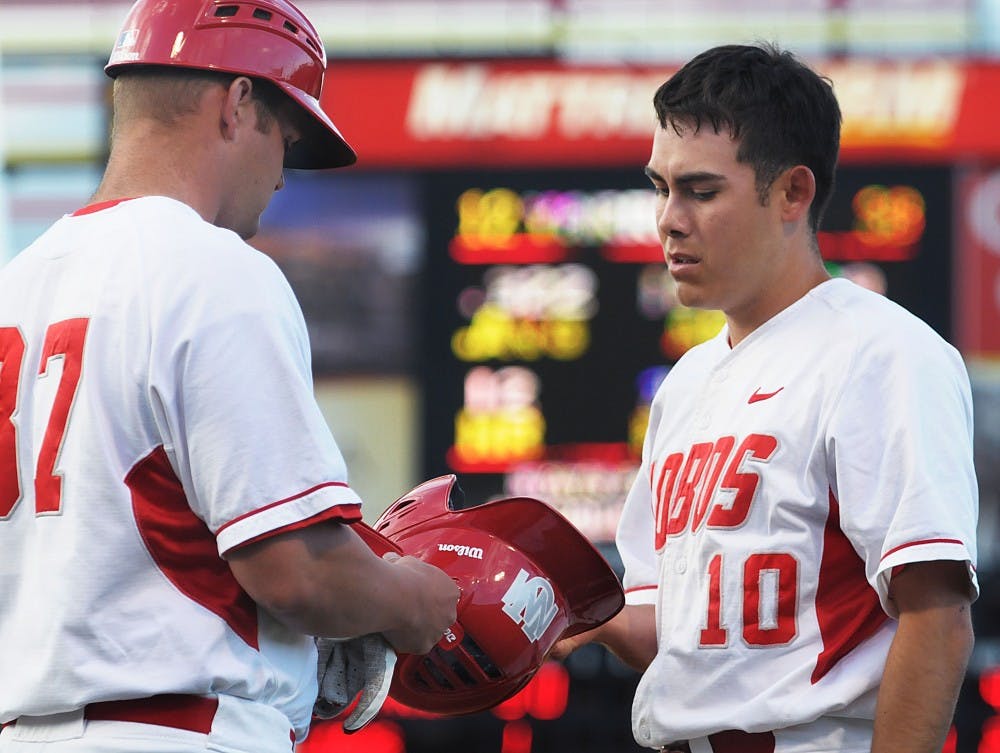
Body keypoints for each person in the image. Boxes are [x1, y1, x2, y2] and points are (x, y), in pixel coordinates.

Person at [0, 1, 459, 752]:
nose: (280, 175)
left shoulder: (14, 285)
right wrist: (412, 598)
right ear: (239, 102)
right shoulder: (212, 267)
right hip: (179, 731)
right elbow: (297, 573)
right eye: (285, 135)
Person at [554, 43, 978, 753]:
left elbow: (936, 615)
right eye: (660, 187)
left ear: (793, 193)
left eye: (701, 190)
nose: (666, 218)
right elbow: (674, 629)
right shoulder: (686, 381)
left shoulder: (883, 351)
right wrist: (562, 615)